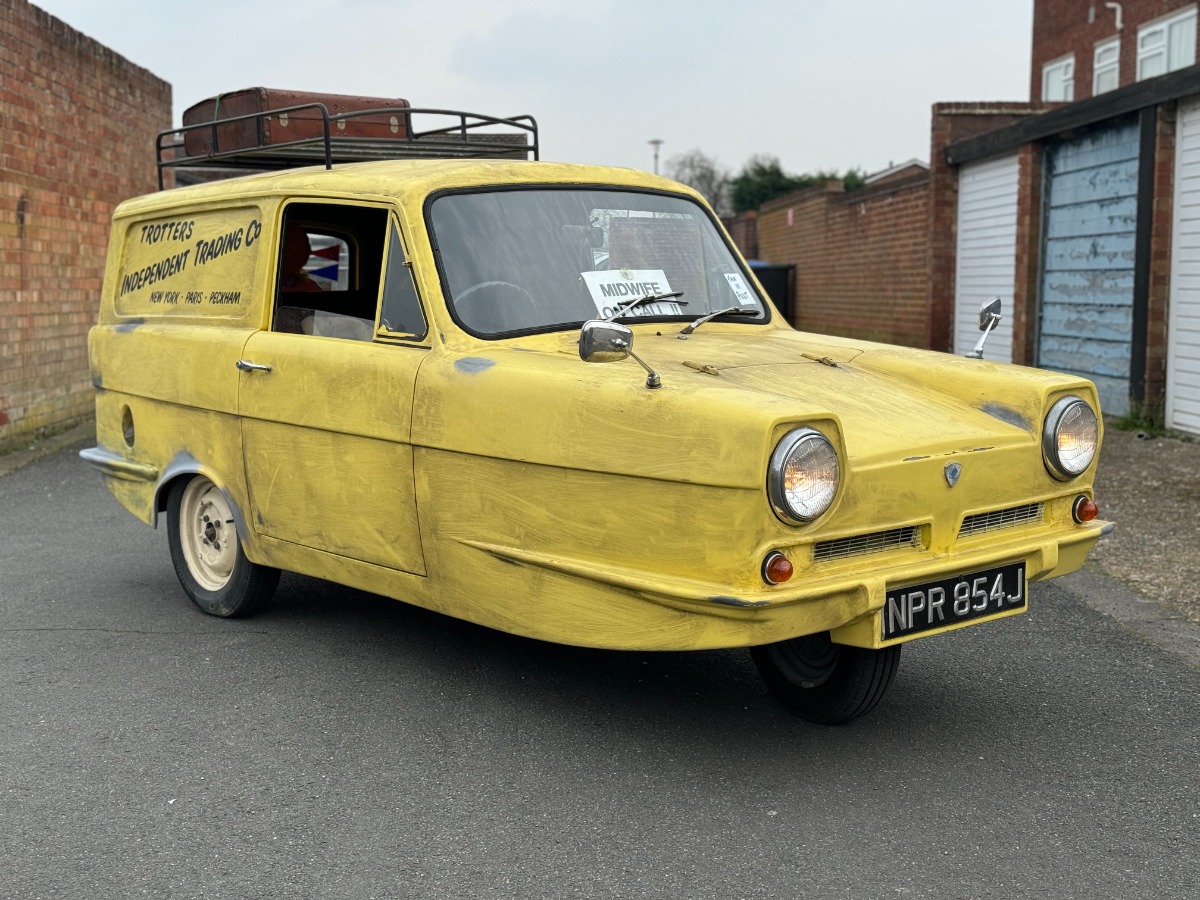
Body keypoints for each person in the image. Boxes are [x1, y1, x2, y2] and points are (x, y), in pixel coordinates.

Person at [280, 225, 322, 292]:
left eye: (297, 250)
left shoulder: (310, 287)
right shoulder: (310, 286)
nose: (290, 254)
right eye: (287, 247)